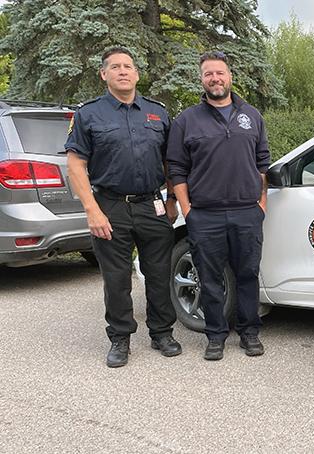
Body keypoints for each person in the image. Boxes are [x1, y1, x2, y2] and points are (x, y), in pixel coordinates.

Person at [65, 46, 181, 368]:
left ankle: (162, 332)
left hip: (152, 205)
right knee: (116, 278)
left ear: (137, 74)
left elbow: (171, 162)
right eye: (115, 67)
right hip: (110, 206)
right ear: (104, 74)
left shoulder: (157, 113)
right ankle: (120, 337)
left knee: (158, 273)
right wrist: (92, 210)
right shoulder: (89, 114)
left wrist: (171, 200)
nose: (122, 71)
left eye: (128, 66)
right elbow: (76, 166)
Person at [167, 51, 270, 361]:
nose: (215, 78)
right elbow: (176, 169)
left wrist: (261, 204)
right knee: (209, 277)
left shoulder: (251, 115)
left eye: (220, 73)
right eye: (209, 74)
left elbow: (262, 163)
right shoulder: (187, 120)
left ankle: (249, 333)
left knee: (248, 274)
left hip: (246, 212)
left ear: (230, 77)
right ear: (202, 79)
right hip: (205, 215)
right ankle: (215, 335)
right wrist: (187, 210)